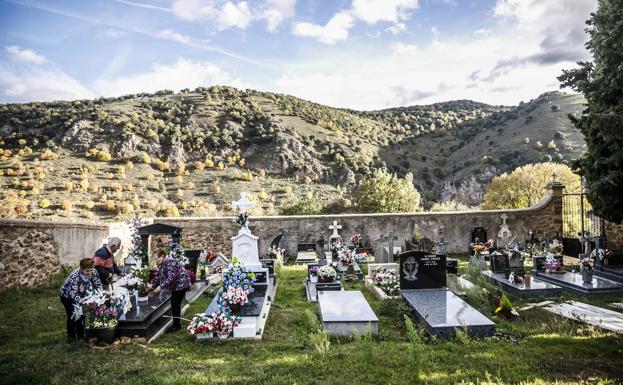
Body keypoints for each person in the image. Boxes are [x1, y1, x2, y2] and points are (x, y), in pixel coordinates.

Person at [59, 258, 103, 343]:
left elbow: (98, 284)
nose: (89, 273)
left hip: (82, 294)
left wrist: (101, 295)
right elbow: (73, 294)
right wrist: (85, 303)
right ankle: (71, 338)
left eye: (91, 270)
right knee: (73, 315)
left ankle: (80, 336)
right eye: (87, 271)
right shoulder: (75, 276)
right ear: (82, 269)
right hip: (67, 296)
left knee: (82, 315)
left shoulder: (94, 271)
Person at [152, 250, 191, 332]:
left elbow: (171, 277)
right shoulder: (163, 263)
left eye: (157, 259)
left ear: (162, 256)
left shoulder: (170, 262)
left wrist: (160, 287)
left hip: (181, 283)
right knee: (174, 303)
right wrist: (152, 287)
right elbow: (160, 276)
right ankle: (176, 324)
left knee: (175, 303)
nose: (156, 261)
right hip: (177, 285)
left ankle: (176, 325)